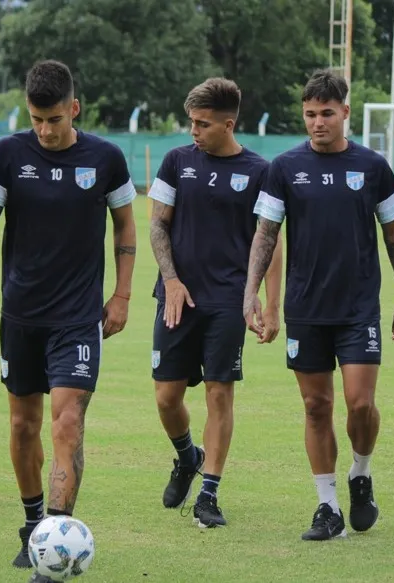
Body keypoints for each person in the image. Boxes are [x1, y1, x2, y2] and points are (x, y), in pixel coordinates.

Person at [0, 60, 136, 580]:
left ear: (73, 109)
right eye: (36, 119)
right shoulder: (7, 154)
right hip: (23, 316)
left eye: (54, 119)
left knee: (68, 422)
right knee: (22, 425)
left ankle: (56, 541)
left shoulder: (106, 158)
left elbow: (125, 226)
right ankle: (34, 523)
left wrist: (122, 295)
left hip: (78, 318)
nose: (45, 130)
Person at [243, 70, 394, 541]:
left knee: (360, 405)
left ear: (345, 113)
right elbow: (266, 234)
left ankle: (361, 472)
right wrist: (251, 290)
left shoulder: (373, 167)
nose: (318, 123)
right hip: (305, 308)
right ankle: (327, 506)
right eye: (310, 114)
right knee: (316, 407)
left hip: (359, 308)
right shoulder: (283, 168)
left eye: (327, 114)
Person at [148, 77, 283, 528]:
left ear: (229, 124)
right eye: (191, 122)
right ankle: (188, 456)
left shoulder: (261, 172)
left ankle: (208, 494)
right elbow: (157, 225)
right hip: (176, 297)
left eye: (203, 124)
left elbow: (271, 243)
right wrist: (170, 279)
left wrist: (265, 300)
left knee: (219, 393)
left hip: (228, 300)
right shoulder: (176, 162)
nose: (194, 131)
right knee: (167, 397)